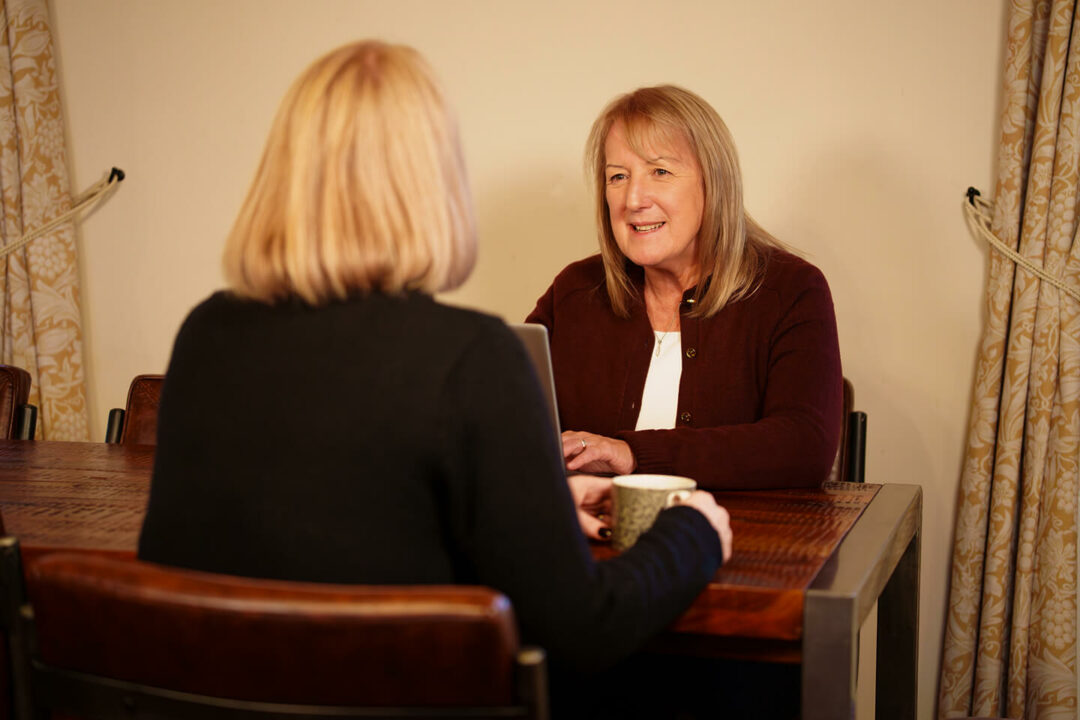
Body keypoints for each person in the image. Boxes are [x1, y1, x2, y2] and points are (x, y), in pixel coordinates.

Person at [136, 41, 732, 708]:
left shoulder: (206, 334)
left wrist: (525, 502)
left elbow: (331, 521)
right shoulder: (472, 356)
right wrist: (692, 533)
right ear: (431, 179)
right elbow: (584, 630)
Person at [527, 85, 843, 492]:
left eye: (659, 171)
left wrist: (631, 453)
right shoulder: (575, 291)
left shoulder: (792, 290)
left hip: (743, 545)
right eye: (617, 177)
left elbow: (804, 447)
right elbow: (498, 415)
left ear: (714, 182)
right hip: (593, 545)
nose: (634, 199)